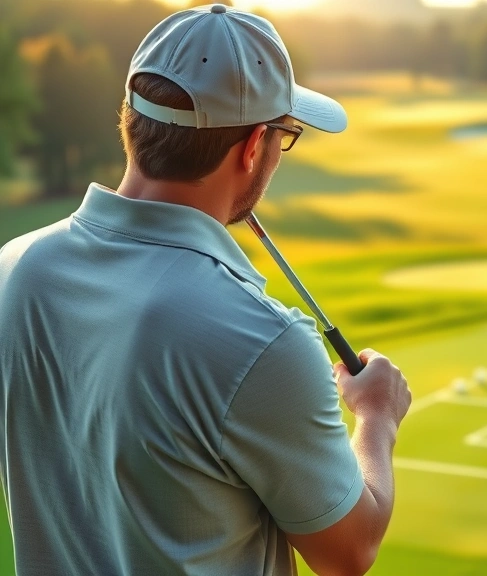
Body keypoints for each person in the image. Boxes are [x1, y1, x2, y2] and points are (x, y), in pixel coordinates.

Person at [0, 4, 411, 575]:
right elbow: (349, 551)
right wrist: (377, 418)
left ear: (132, 121)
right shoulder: (263, 341)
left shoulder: (14, 270)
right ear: (251, 147)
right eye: (284, 137)